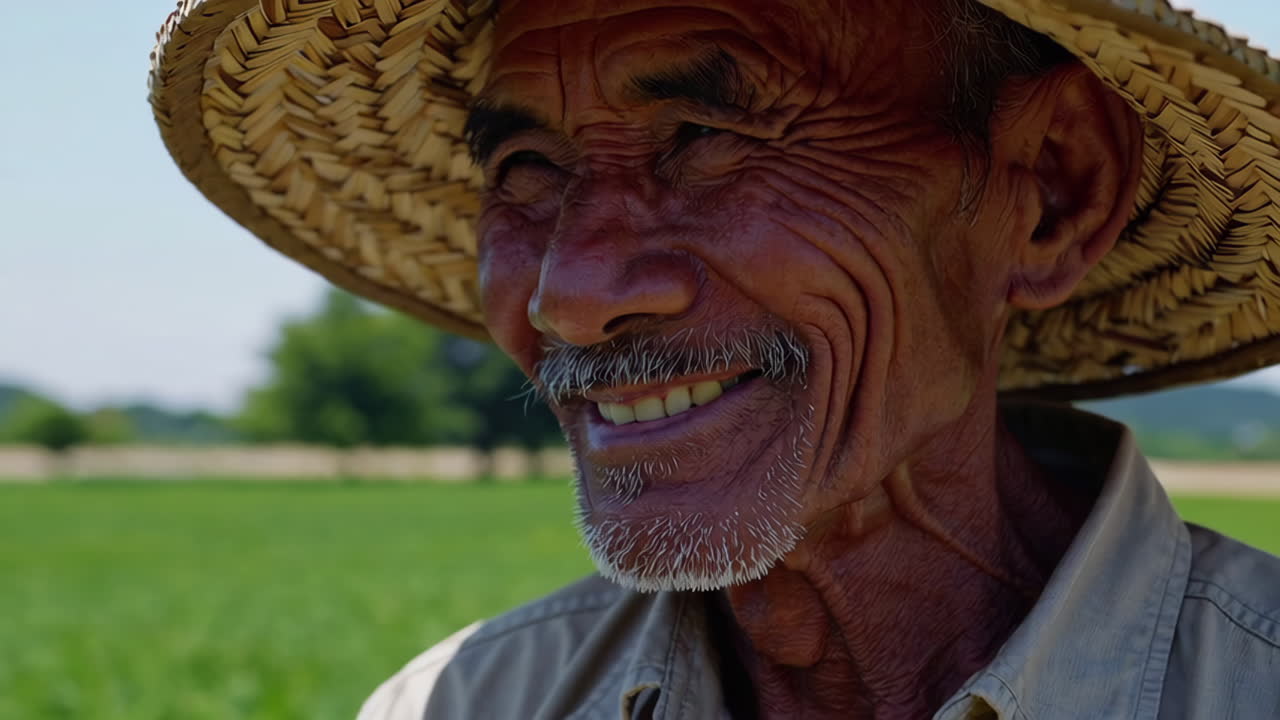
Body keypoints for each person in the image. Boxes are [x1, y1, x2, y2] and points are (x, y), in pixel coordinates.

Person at [150, 0, 1280, 717]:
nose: (573, 296)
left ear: (1049, 192)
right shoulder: (462, 705)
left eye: (703, 141)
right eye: (529, 170)